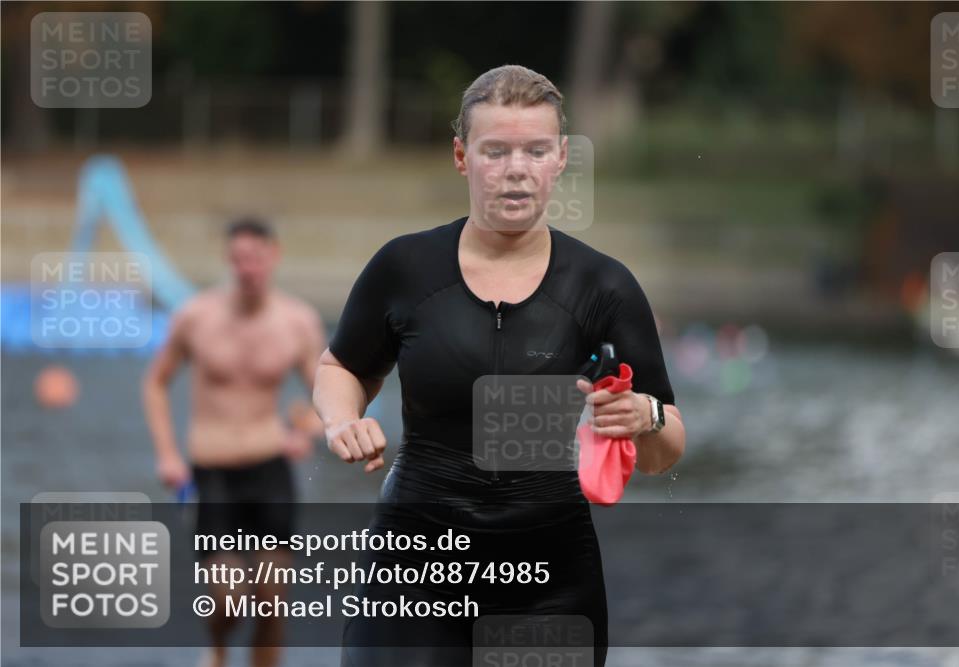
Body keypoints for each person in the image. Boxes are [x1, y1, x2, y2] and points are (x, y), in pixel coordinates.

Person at [313, 65, 686, 667]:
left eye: (536, 150)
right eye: (496, 151)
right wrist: (340, 420)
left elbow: (665, 451)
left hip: (548, 580)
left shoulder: (604, 286)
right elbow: (340, 366)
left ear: (561, 158)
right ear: (462, 156)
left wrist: (643, 416)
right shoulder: (406, 268)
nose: (516, 168)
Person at [143, 218, 326, 667]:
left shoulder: (297, 322)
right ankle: (219, 646)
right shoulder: (196, 316)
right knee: (228, 600)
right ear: (229, 261)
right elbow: (155, 383)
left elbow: (327, 395)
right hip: (213, 469)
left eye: (255, 257)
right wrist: (168, 455)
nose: (247, 268)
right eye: (238, 259)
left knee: (270, 599)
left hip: (269, 470)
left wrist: (305, 430)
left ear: (273, 256)